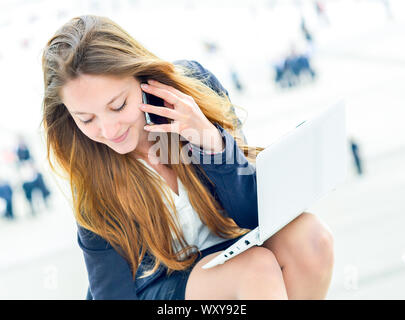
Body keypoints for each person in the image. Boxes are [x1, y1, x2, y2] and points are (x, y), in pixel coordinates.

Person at [41, 15, 334, 300]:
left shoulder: (191, 90)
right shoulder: (90, 165)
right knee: (256, 269)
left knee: (311, 238)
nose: (108, 130)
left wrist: (211, 142)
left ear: (141, 77)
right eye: (86, 118)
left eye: (118, 106)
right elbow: (112, 292)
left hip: (235, 247)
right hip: (162, 288)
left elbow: (252, 214)